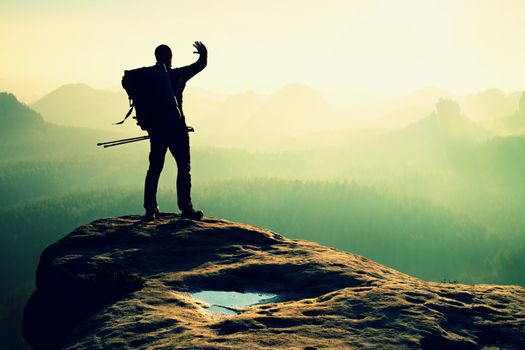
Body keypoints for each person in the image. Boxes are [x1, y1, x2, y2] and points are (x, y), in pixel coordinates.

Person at [144, 41, 207, 221]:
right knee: (183, 167)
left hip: (157, 131)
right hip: (177, 130)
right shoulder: (177, 75)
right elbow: (200, 65)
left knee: (155, 168)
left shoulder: (148, 79)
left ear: (156, 58)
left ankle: (150, 209)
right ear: (170, 58)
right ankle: (186, 208)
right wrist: (203, 54)